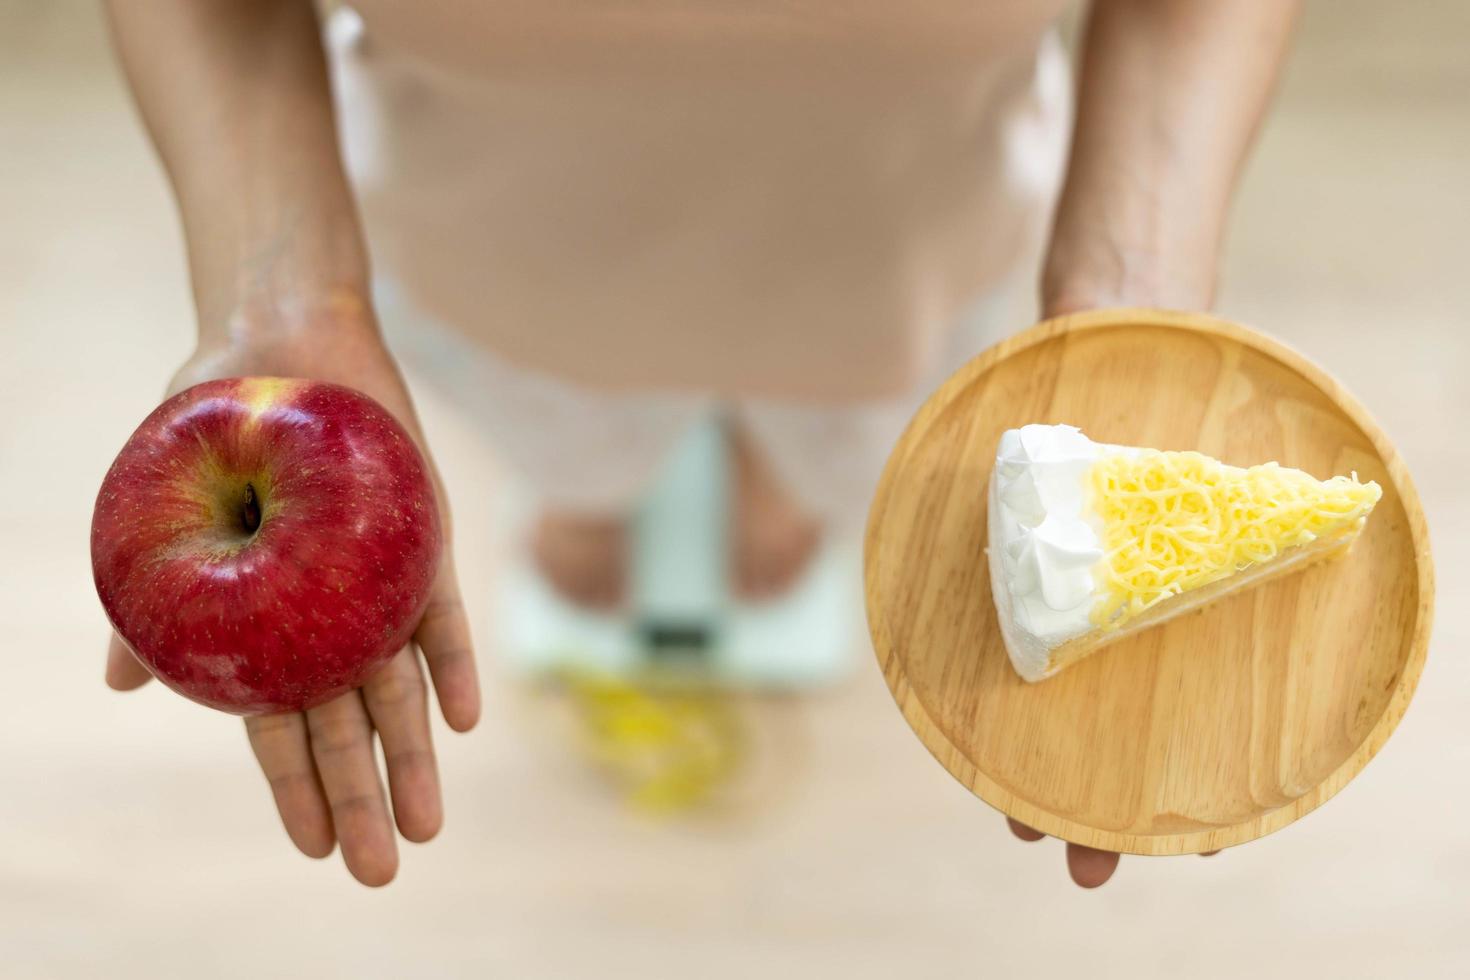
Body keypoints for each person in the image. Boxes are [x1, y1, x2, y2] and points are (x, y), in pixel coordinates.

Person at [102, 0, 1300, 888]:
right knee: (572, 441)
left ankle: (775, 489)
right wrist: (282, 283)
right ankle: (602, 495)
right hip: (506, 276)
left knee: (846, 452)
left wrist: (1132, 292)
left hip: (906, 269)